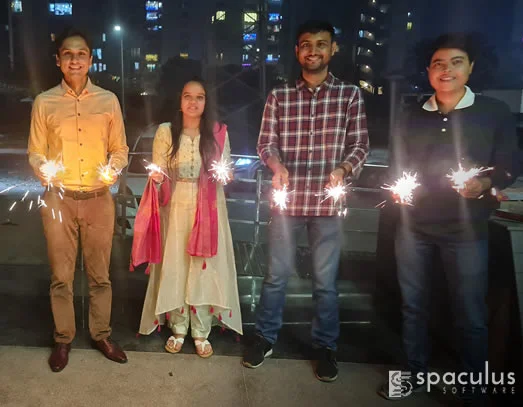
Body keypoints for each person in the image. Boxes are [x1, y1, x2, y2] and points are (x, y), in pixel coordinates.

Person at [378, 33, 519, 403]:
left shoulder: (493, 112)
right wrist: (398, 188)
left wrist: (485, 182)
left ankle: (473, 387)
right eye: (438, 64)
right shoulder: (411, 115)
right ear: (428, 71)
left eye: (456, 62)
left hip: (466, 229)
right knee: (413, 306)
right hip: (413, 227)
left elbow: (509, 164)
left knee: (470, 312)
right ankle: (413, 373)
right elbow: (396, 165)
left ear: (470, 67)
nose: (446, 70)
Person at [242, 20, 370, 382]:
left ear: (333, 49)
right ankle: (265, 338)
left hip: (328, 205)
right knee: (275, 276)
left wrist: (343, 169)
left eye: (321, 44)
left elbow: (360, 144)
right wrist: (276, 165)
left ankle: (325, 346)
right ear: (297, 51)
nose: (313, 51)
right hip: (288, 203)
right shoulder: (280, 96)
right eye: (306, 44)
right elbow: (265, 143)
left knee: (325, 282)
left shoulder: (349, 95)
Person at [28, 28, 129, 372]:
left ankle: (102, 334)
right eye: (68, 54)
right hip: (59, 199)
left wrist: (113, 168)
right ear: (58, 60)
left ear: (90, 59)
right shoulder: (44, 102)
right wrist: (43, 169)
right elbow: (35, 151)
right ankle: (63, 339)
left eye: (81, 54)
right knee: (61, 275)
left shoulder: (108, 100)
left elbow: (120, 148)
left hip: (99, 199)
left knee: (100, 274)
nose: (75, 60)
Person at [138, 78, 243, 357]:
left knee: (203, 266)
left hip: (208, 206)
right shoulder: (166, 132)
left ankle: (201, 330)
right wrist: (157, 177)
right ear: (179, 100)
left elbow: (226, 170)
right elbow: (159, 170)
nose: (193, 102)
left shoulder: (217, 132)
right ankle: (178, 327)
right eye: (188, 96)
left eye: (199, 97)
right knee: (176, 264)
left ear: (206, 102)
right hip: (175, 206)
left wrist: (226, 175)